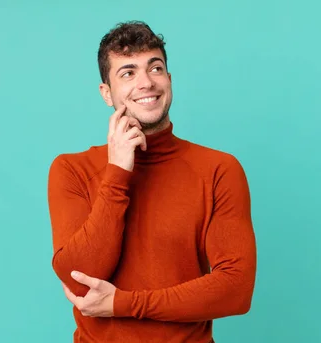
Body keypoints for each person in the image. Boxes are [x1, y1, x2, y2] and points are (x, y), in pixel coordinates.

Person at [47, 20, 257, 343]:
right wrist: (117, 172)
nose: (146, 82)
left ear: (169, 80)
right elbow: (80, 281)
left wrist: (123, 303)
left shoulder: (218, 170)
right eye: (128, 73)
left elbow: (235, 289)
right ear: (106, 93)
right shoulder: (71, 169)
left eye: (155, 68)